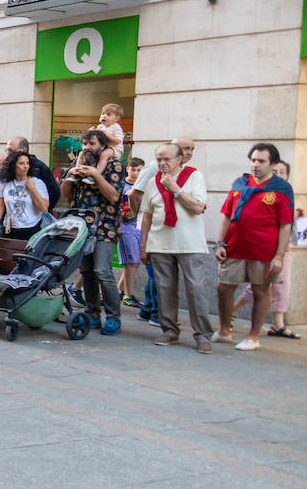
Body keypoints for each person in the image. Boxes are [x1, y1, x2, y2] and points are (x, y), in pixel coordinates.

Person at [214, 143, 294, 351]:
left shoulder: (282, 189)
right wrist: (220, 243)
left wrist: (278, 256)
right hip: (234, 247)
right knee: (223, 287)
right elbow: (226, 215)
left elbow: (285, 225)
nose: (255, 164)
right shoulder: (240, 183)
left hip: (264, 251)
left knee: (260, 291)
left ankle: (253, 336)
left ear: (272, 164)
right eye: (253, 160)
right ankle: (224, 331)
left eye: (261, 161)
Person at [138, 143, 212, 352]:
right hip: (160, 243)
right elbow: (147, 215)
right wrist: (143, 245)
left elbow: (198, 207)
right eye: (159, 159)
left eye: (166, 159)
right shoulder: (153, 182)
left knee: (196, 289)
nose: (162, 163)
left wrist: (176, 190)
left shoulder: (194, 176)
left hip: (190, 244)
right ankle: (169, 330)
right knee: (164, 289)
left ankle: (203, 335)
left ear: (179, 159)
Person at [59, 129, 125, 336]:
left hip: (105, 226)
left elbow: (114, 196)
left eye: (92, 144)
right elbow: (63, 196)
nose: (87, 147)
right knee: (86, 271)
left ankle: (114, 318)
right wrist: (70, 175)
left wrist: (96, 174)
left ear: (103, 146)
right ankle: (93, 313)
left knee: (103, 271)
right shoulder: (79, 164)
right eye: (85, 143)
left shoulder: (114, 165)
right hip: (82, 225)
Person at [234, 160, 300, 339]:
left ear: (287, 175)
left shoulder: (287, 194)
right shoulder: (264, 193)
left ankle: (278, 323)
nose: (278, 175)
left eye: (282, 172)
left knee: (280, 286)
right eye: (275, 171)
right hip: (266, 249)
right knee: (260, 285)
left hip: (283, 251)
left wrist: (298, 216)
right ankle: (233, 310)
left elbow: (293, 228)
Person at [0, 151, 51, 241]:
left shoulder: (37, 183)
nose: (25, 166)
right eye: (21, 163)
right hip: (9, 229)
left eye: (27, 163)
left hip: (31, 230)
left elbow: (44, 208)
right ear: (13, 166)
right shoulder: (4, 183)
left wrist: (33, 189)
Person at [117, 157, 146, 306]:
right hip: (125, 227)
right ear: (127, 169)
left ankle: (118, 291)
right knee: (131, 261)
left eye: (139, 170)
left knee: (136, 262)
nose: (135, 173)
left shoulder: (143, 186)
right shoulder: (121, 185)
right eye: (133, 169)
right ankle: (128, 295)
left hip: (140, 227)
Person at [6, 136, 62, 203]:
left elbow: (54, 192)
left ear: (23, 150)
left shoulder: (39, 167)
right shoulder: (6, 167)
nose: (8, 153)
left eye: (11, 150)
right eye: (7, 150)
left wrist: (43, 210)